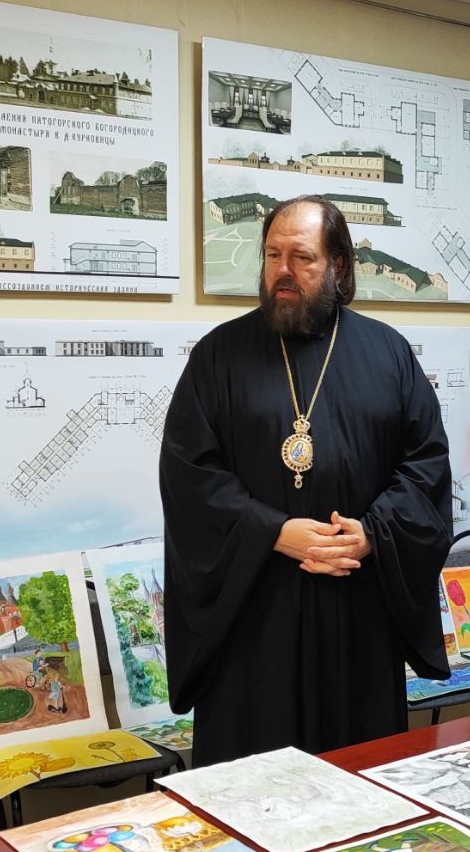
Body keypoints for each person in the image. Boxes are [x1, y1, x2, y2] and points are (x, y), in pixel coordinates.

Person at [160, 196, 453, 767]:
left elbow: (426, 467)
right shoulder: (219, 355)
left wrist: (373, 532)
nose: (283, 271)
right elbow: (189, 476)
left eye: (302, 257)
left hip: (357, 604)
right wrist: (272, 531)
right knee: (254, 789)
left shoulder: (388, 354)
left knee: (359, 779)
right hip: (254, 612)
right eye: (273, 255)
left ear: (339, 265)